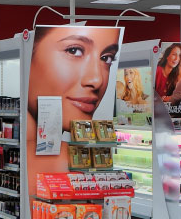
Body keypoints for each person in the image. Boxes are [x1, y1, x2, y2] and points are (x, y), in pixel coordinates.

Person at [25, 26, 121, 178]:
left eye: (106, 58)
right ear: (28, 56)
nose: (97, 80)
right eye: (74, 50)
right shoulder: (52, 162)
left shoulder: (67, 159)